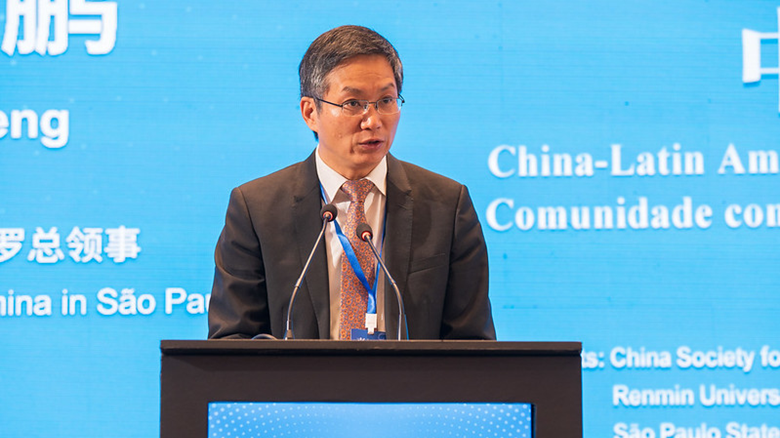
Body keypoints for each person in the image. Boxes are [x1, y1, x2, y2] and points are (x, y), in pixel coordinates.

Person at [208, 25, 495, 340]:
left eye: (386, 100)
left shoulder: (447, 205)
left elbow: (471, 345)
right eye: (353, 103)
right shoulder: (256, 209)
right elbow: (232, 340)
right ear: (310, 112)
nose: (373, 121)